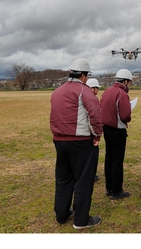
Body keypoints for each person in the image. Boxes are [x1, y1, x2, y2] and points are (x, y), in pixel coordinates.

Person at [50, 58, 103, 229]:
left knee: (64, 179)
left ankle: (62, 214)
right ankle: (81, 220)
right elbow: (95, 115)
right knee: (83, 180)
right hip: (80, 141)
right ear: (83, 75)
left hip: (59, 140)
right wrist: (97, 135)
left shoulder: (57, 91)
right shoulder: (84, 90)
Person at [100, 68, 133, 200]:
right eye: (129, 82)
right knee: (117, 161)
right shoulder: (122, 94)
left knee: (109, 158)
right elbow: (125, 115)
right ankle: (116, 190)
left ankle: (109, 187)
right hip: (117, 130)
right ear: (125, 81)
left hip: (106, 128)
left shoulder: (107, 91)